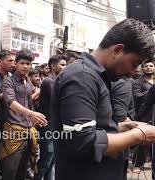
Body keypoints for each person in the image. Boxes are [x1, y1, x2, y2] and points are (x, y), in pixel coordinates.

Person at [51, 18, 155, 180]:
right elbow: (84, 142)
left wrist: (120, 127)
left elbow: (91, 128)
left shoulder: (98, 76)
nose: (133, 71)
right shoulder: (82, 77)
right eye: (134, 63)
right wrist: (139, 135)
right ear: (117, 50)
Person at [0, 48, 47, 180]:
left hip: (28, 130)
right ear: (16, 63)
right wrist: (31, 113)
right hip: (13, 132)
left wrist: (34, 118)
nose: (26, 66)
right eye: (23, 63)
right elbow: (10, 102)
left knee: (23, 171)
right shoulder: (9, 81)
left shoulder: (28, 81)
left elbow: (30, 100)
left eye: (28, 64)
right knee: (10, 171)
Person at [34, 54, 66, 180]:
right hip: (48, 128)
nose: (65, 67)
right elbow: (59, 100)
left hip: (55, 127)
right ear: (53, 66)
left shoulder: (58, 81)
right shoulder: (48, 82)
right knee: (46, 160)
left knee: (52, 160)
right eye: (62, 65)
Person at [132, 60, 155, 173]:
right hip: (143, 113)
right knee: (143, 139)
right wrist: (151, 90)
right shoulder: (137, 82)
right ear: (142, 68)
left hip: (154, 112)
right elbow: (137, 96)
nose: (149, 68)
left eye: (151, 66)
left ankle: (151, 161)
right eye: (146, 66)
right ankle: (138, 164)